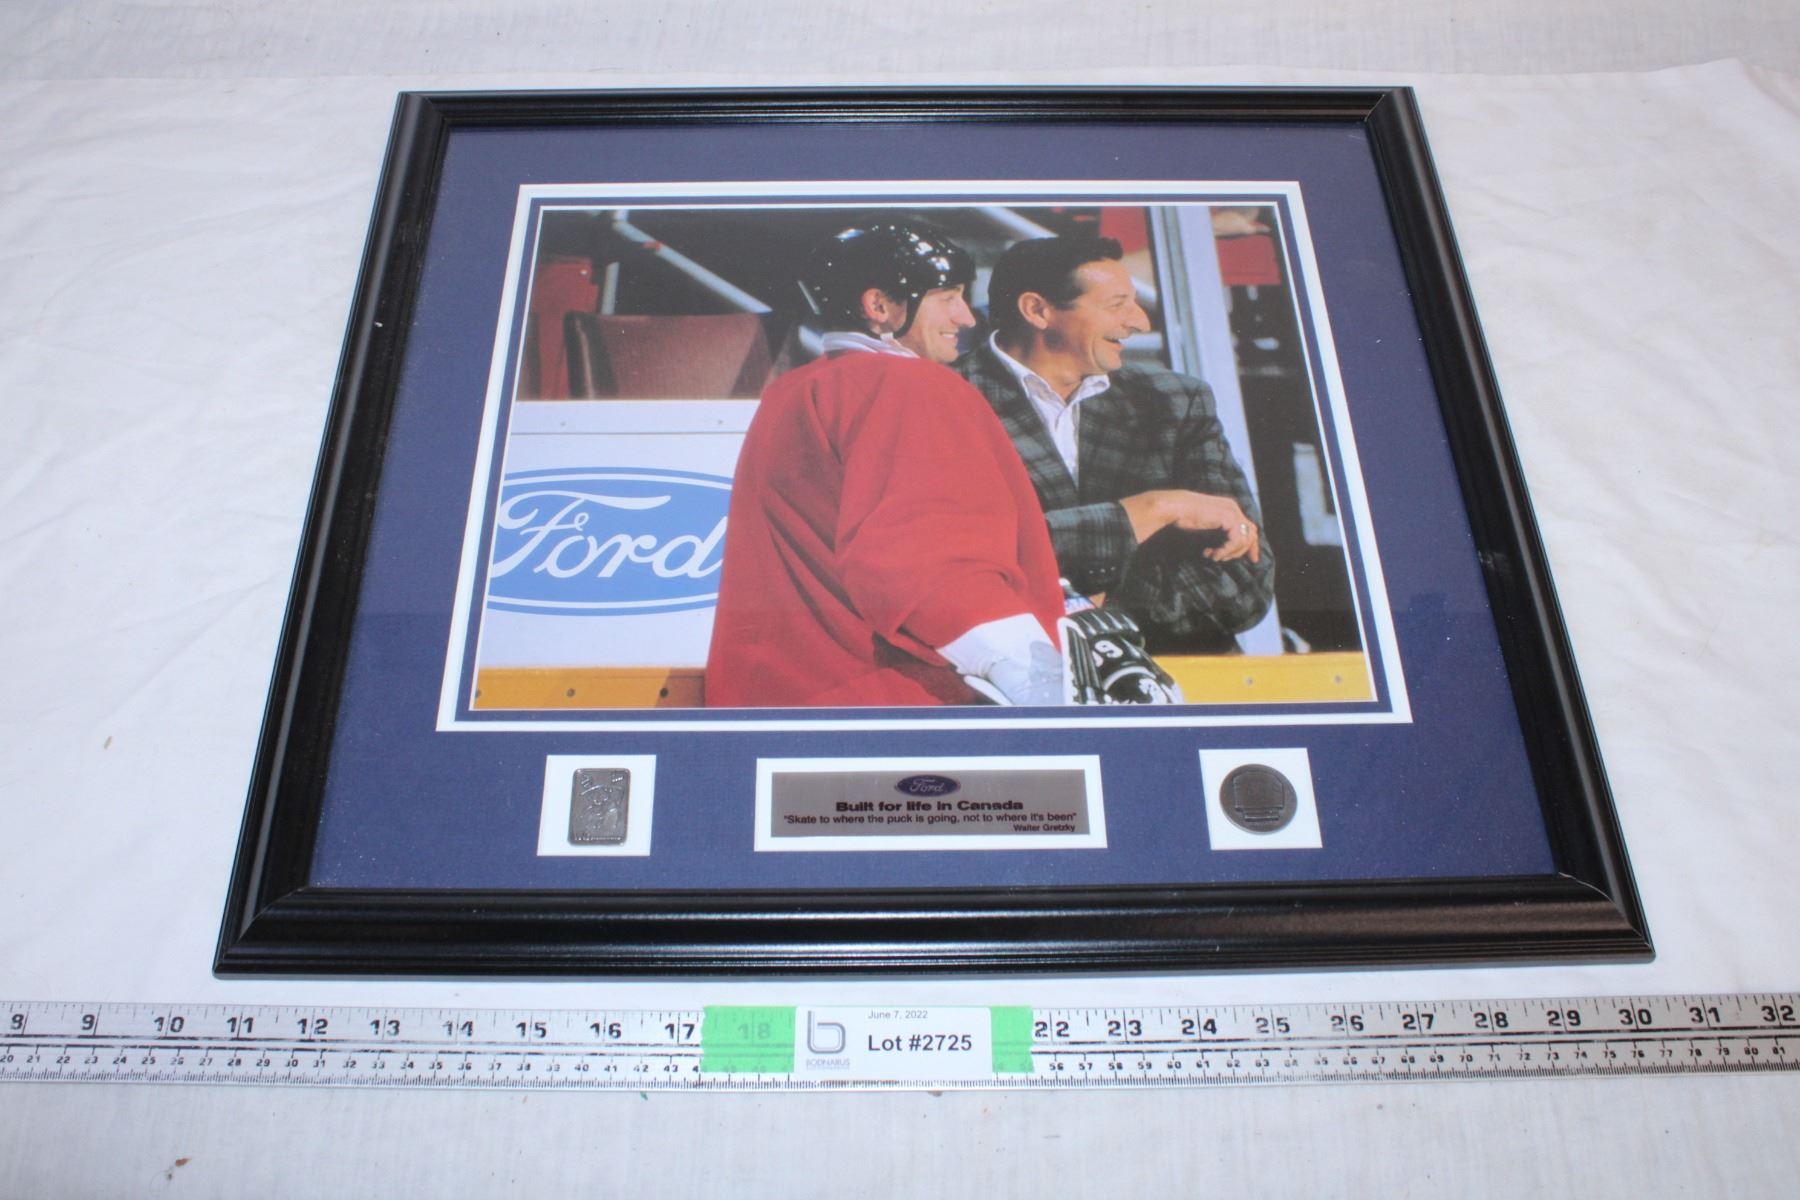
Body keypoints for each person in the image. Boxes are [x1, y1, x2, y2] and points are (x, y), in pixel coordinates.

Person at [704, 222, 1066, 707]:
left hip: (776, 703)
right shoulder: (908, 386)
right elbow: (932, 566)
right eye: (947, 297)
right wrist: (1040, 680)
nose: (966, 317)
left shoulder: (791, 392)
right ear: (879, 306)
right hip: (891, 709)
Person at [956, 234, 1275, 654]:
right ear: (1037, 310)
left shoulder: (1174, 400)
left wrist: (1090, 610)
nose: (1139, 322)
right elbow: (964, 562)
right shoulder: (944, 402)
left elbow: (1244, 583)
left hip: (1180, 670)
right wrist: (1155, 509)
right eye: (1116, 304)